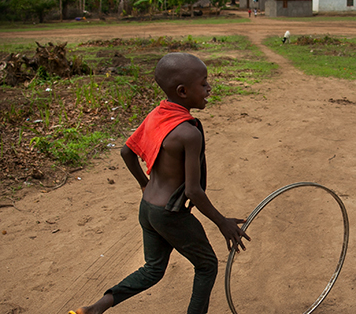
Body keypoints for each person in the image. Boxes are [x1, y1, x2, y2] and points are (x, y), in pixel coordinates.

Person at [69, 53, 250, 314]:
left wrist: (144, 184)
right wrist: (222, 222)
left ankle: (95, 308)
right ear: (183, 91)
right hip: (170, 215)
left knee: (153, 269)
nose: (209, 88)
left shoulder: (158, 115)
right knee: (207, 265)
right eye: (204, 83)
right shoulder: (189, 133)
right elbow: (192, 190)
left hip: (148, 209)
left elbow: (126, 152)